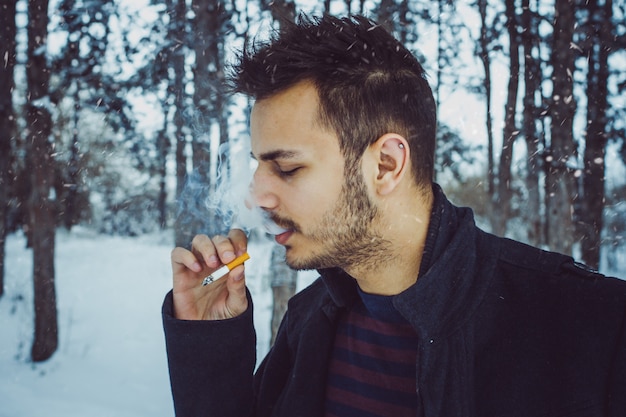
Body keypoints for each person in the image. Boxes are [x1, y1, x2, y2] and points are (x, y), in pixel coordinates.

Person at [162, 14, 626, 417]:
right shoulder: (309, 321)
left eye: (287, 168)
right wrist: (210, 347)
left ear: (385, 165)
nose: (255, 196)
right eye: (259, 165)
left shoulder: (593, 327)